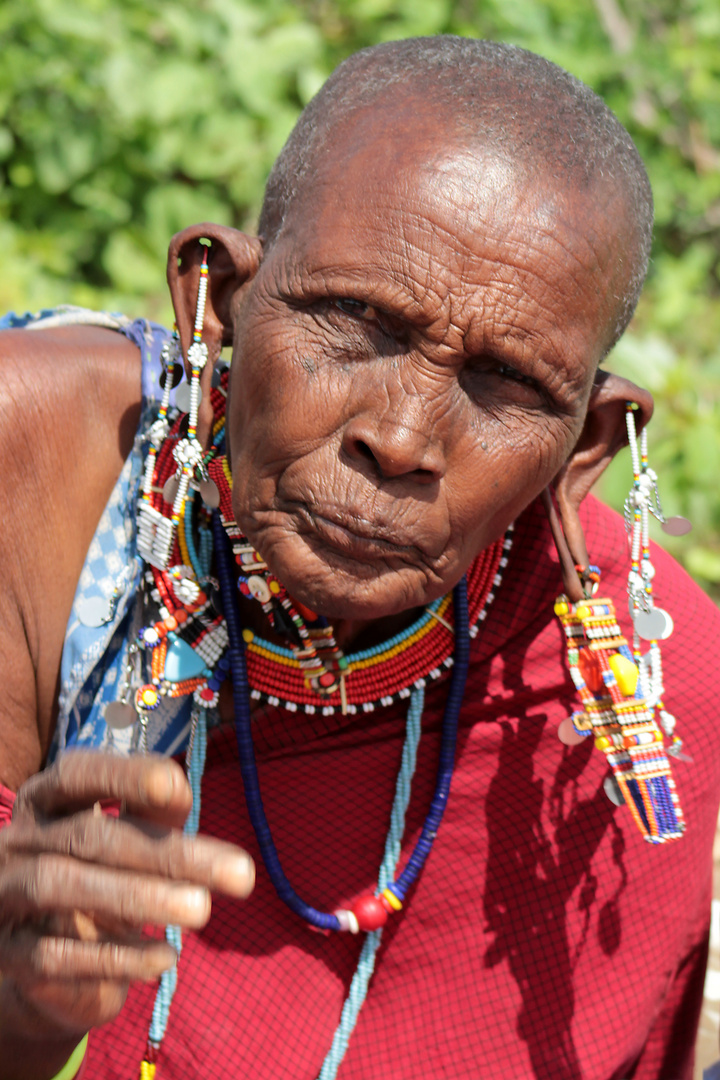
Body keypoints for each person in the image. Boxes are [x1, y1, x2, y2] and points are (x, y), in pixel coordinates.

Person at [0, 35, 718, 1080]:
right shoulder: (32, 481)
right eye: (357, 324)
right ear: (219, 301)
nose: (406, 440)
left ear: (586, 452)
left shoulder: (630, 701)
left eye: (507, 387)